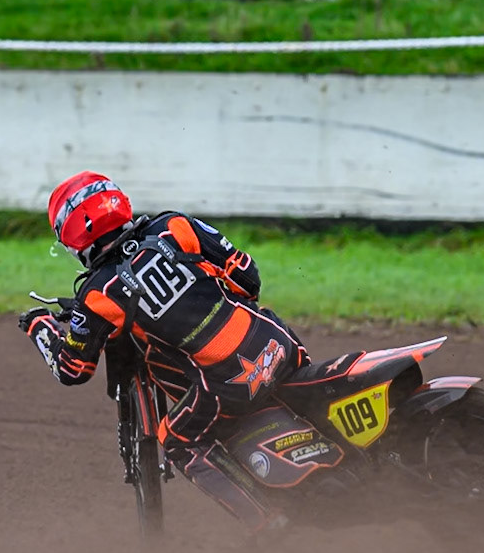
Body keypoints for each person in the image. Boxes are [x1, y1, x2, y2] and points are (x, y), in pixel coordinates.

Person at [19, 172, 317, 530]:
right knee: (265, 324)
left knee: (176, 439)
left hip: (229, 385)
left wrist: (40, 326)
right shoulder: (174, 225)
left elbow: (72, 370)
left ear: (74, 239)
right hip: (278, 344)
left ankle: (266, 520)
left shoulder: (97, 295)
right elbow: (247, 278)